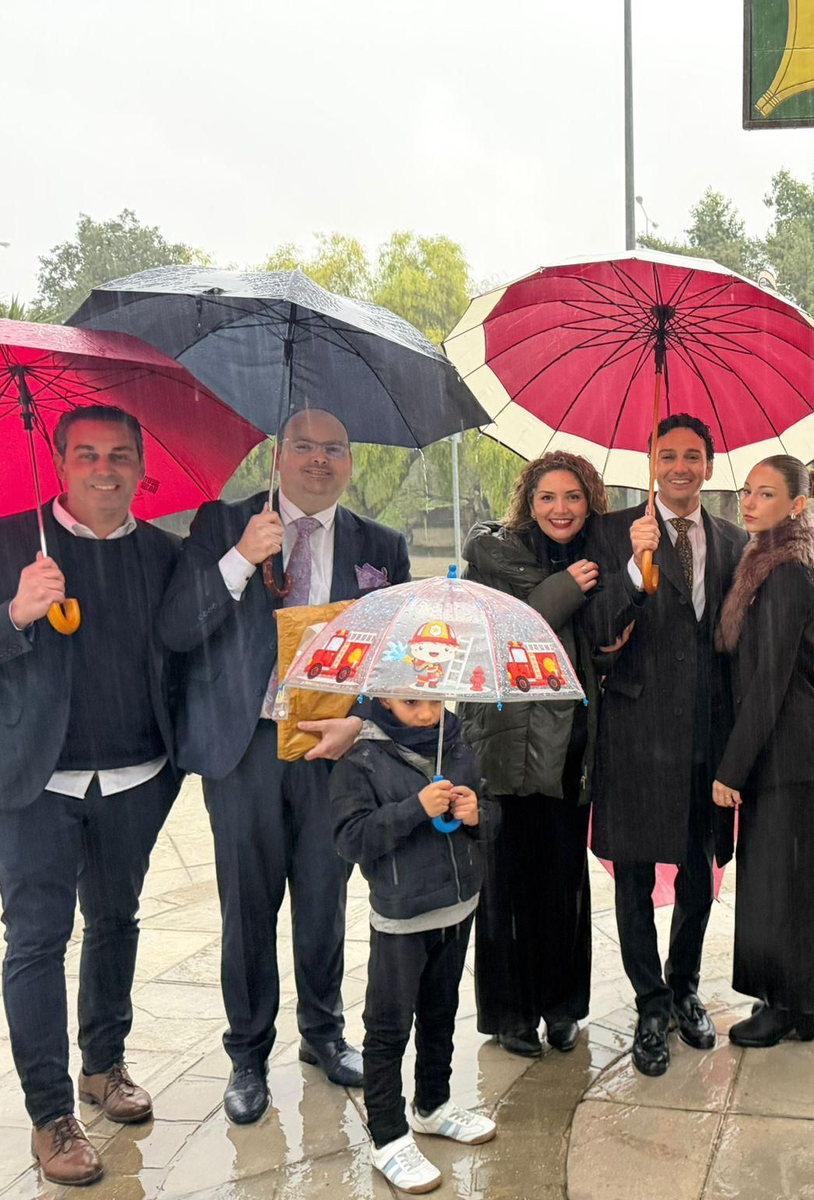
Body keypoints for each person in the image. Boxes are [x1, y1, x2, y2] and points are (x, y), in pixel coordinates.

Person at [0, 406, 183, 1185]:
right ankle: (51, 1113)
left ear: (141, 466)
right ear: (59, 461)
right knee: (37, 940)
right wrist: (13, 613)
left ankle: (103, 1066)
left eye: (119, 455)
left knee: (116, 921)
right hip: (29, 782)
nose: (104, 469)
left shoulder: (163, 553)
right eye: (86, 455)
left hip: (135, 777)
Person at [157, 407, 411, 1124]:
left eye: (335, 448)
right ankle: (246, 1054)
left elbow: (395, 657)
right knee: (248, 908)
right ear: (278, 455)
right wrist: (240, 558)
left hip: (334, 753)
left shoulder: (381, 546)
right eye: (304, 446)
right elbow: (177, 629)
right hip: (245, 750)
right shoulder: (221, 524)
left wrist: (361, 720)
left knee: (325, 902)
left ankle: (323, 1034)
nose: (319, 460)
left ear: (351, 461)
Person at [582, 413, 748, 1077]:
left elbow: (750, 632)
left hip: (707, 735)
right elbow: (593, 627)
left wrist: (809, 643)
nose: (679, 467)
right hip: (634, 733)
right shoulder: (611, 530)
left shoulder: (736, 542)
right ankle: (649, 1002)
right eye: (667, 454)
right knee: (635, 873)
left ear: (708, 466)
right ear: (650, 460)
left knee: (699, 872)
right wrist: (631, 565)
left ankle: (683, 988)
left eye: (692, 456)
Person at [460, 451, 615, 1058]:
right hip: (507, 749)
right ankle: (510, 1014)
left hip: (571, 752)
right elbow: (504, 638)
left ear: (589, 503)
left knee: (564, 886)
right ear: (528, 501)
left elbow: (581, 653)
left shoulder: (593, 562)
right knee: (506, 887)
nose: (560, 508)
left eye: (573, 497)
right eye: (548, 497)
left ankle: (562, 1005)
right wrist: (563, 590)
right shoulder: (493, 559)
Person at [332, 696, 498, 1194]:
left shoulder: (458, 742)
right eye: (410, 703)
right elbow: (350, 838)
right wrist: (412, 810)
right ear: (382, 697)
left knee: (441, 1009)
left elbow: (491, 813)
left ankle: (432, 1103)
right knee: (388, 1027)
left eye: (432, 700)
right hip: (403, 917)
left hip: (458, 906)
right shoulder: (360, 759)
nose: (426, 713)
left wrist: (476, 816)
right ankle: (388, 1136)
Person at [712, 455, 814, 1047]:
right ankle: (807, 997)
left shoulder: (784, 570)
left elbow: (767, 683)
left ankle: (787, 1006)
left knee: (780, 881)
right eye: (747, 492)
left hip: (787, 750)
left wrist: (730, 769)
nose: (749, 502)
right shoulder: (766, 561)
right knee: (793, 878)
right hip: (794, 747)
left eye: (765, 494)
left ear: (796, 505)